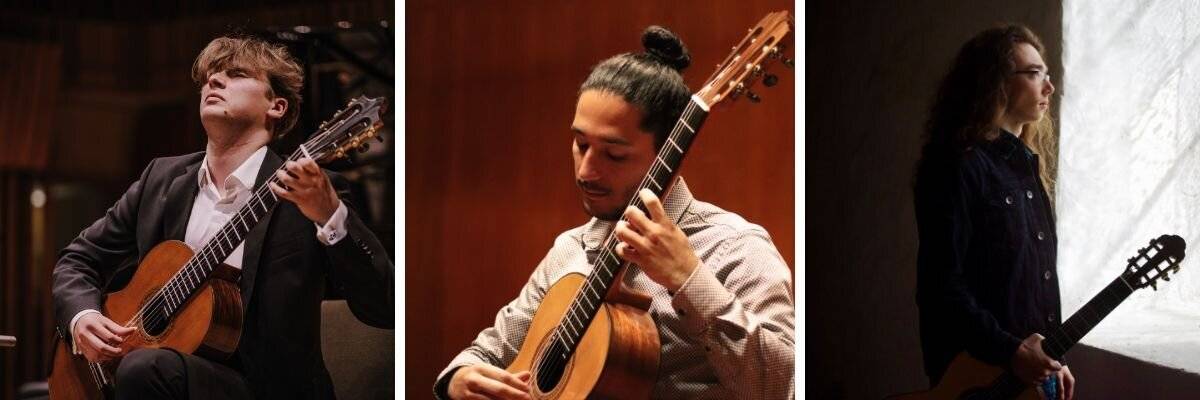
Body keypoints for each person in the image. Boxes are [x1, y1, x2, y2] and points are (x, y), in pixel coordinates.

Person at [433, 26, 795, 399]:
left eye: (614, 154)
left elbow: (787, 385)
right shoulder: (570, 250)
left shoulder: (734, 247)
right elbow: (490, 351)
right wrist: (458, 379)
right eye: (580, 144)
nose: (587, 170)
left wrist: (690, 280)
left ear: (667, 153)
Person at [51, 35, 393, 399]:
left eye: (236, 74)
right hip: (161, 377)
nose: (213, 81)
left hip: (268, 389)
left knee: (145, 367)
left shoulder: (314, 193)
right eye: (210, 76)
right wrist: (82, 318)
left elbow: (383, 305)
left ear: (276, 106)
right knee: (144, 367)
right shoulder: (161, 180)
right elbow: (77, 260)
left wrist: (330, 216)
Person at [913, 24, 1074, 399]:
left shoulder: (1027, 166)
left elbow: (1033, 284)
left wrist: (1054, 357)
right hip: (978, 379)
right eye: (1034, 74)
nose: (1048, 87)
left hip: (1032, 375)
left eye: (1046, 74)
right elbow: (941, 286)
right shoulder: (958, 166)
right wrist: (1011, 352)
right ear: (995, 82)